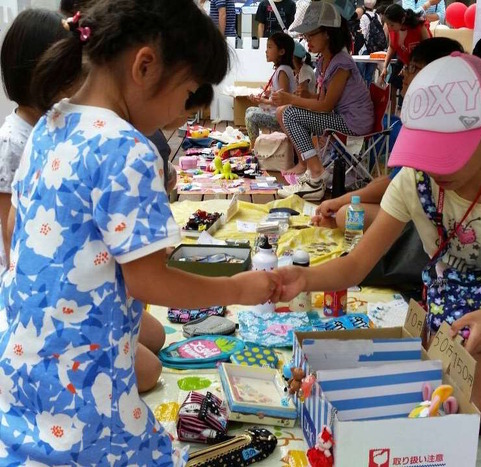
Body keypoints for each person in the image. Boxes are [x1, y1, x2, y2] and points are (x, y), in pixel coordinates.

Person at [0, 1, 280, 464]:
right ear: (145, 66)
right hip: (84, 377)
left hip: (27, 359)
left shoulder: (50, 124)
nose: (181, 111)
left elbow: (18, 229)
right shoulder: (126, 148)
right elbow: (149, 280)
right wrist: (240, 288)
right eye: (187, 91)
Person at [277, 53, 481, 459]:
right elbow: (356, 264)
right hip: (461, 310)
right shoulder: (414, 180)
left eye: (449, 152)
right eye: (426, 150)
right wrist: (302, 279)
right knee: (453, 413)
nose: (435, 168)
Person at [312, 37, 464, 231]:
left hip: (436, 218)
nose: (402, 74)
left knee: (347, 214)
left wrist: (340, 203)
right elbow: (396, 179)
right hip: (417, 204)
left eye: (412, 68)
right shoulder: (421, 121)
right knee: (357, 203)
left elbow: (397, 184)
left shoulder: (434, 128)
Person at [273, 1, 374, 201]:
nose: (307, 40)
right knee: (287, 111)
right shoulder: (325, 60)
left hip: (353, 123)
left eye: (311, 35)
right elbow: (323, 100)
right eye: (306, 36)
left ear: (327, 33)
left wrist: (292, 98)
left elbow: (326, 106)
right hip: (341, 119)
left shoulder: (341, 63)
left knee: (290, 112)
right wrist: (306, 97)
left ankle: (316, 175)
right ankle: (313, 171)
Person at [0, 9, 72, 268]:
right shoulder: (12, 141)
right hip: (23, 271)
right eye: (66, 75)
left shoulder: (50, 125)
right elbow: (9, 229)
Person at [245, 32, 296, 146]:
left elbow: (284, 101)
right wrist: (269, 94)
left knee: (251, 116)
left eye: (270, 47)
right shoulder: (281, 69)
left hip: (282, 117)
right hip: (277, 113)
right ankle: (257, 146)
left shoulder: (282, 71)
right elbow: (280, 94)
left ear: (281, 52)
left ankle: (255, 148)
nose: (266, 51)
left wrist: (263, 101)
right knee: (250, 110)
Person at [380, 5, 431, 110]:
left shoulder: (419, 27)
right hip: (403, 60)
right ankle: (392, 117)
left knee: (414, 90)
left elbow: (429, 48)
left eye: (392, 25)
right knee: (392, 86)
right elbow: (392, 47)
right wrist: (385, 66)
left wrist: (412, 67)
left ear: (402, 19)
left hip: (420, 64)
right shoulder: (392, 30)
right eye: (387, 24)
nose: (389, 27)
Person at [358, 0, 386, 85]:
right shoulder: (377, 15)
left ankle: (362, 94)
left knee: (360, 75)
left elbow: (364, 33)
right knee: (369, 75)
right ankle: (369, 93)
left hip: (365, 48)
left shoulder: (364, 17)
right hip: (375, 49)